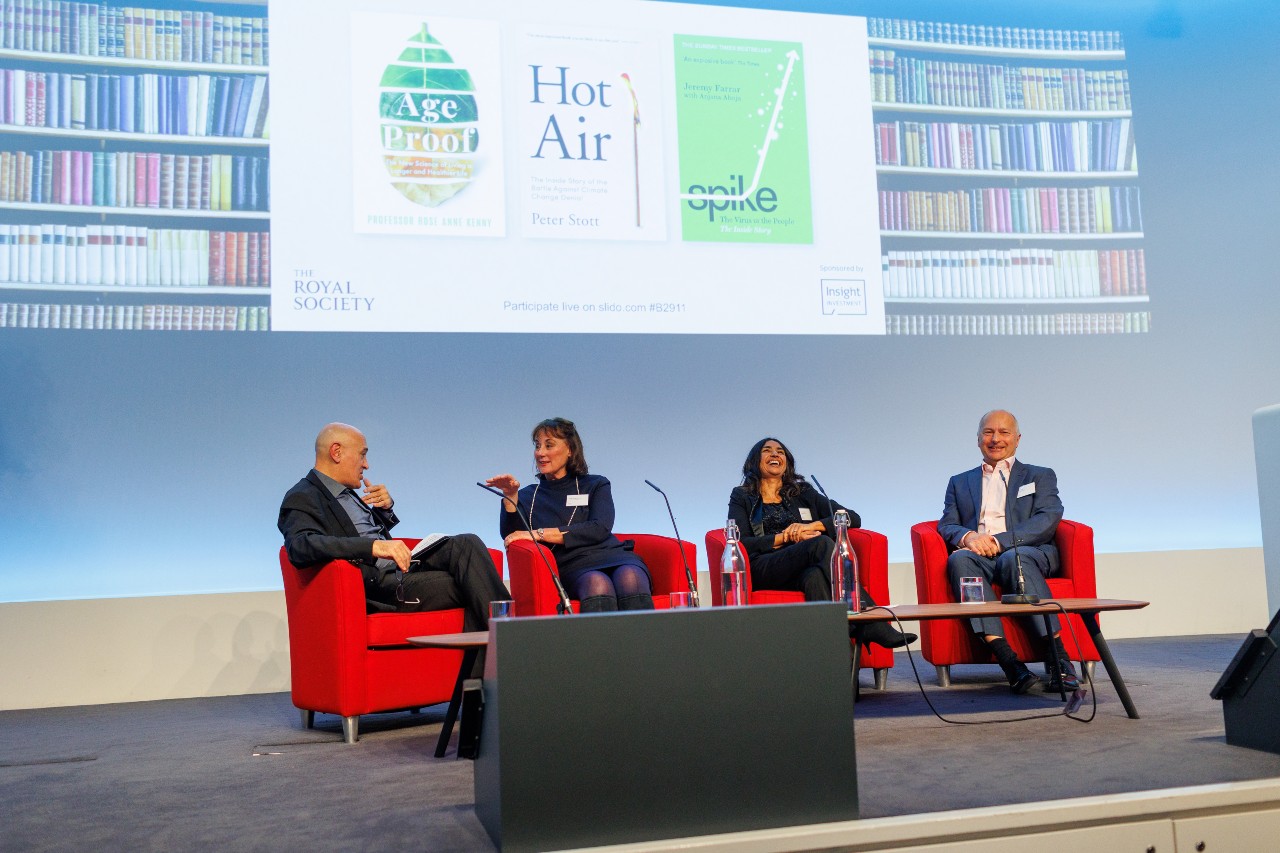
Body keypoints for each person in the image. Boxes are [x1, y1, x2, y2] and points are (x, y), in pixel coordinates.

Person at [279, 422, 510, 632]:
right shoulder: (303, 495)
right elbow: (301, 546)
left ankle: (491, 664)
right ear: (336, 452)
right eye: (362, 455)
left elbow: (356, 530)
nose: (366, 465)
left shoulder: (347, 493)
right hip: (382, 587)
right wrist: (373, 547)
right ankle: (512, 645)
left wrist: (384, 511)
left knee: (467, 543)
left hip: (404, 569)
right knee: (474, 584)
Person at [937, 409, 1079, 695]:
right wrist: (968, 537)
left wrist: (1001, 541)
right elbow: (947, 523)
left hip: (1028, 552)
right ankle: (1010, 664)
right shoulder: (959, 481)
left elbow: (1048, 518)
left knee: (1016, 557)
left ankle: (1059, 661)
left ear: (1017, 439)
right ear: (978, 439)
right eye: (988, 432)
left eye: (1004, 433)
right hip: (979, 555)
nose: (995, 439)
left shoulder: (1039, 475)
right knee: (960, 559)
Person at [726, 437, 915, 650]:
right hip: (765, 567)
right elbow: (743, 544)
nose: (775, 454)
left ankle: (839, 659)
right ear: (754, 461)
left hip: (801, 569)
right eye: (767, 450)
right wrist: (787, 537)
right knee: (821, 544)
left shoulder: (802, 492)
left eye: (780, 451)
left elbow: (852, 517)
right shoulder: (742, 496)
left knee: (814, 576)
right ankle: (871, 622)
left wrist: (811, 526)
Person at [485, 417, 652, 612]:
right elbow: (512, 537)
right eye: (538, 446)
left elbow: (599, 527)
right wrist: (510, 497)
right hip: (572, 565)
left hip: (613, 555)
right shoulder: (528, 495)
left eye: (549, 445)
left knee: (630, 576)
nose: (540, 453)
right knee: (598, 583)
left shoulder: (596, 484)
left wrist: (539, 533)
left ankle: (644, 643)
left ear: (570, 450)